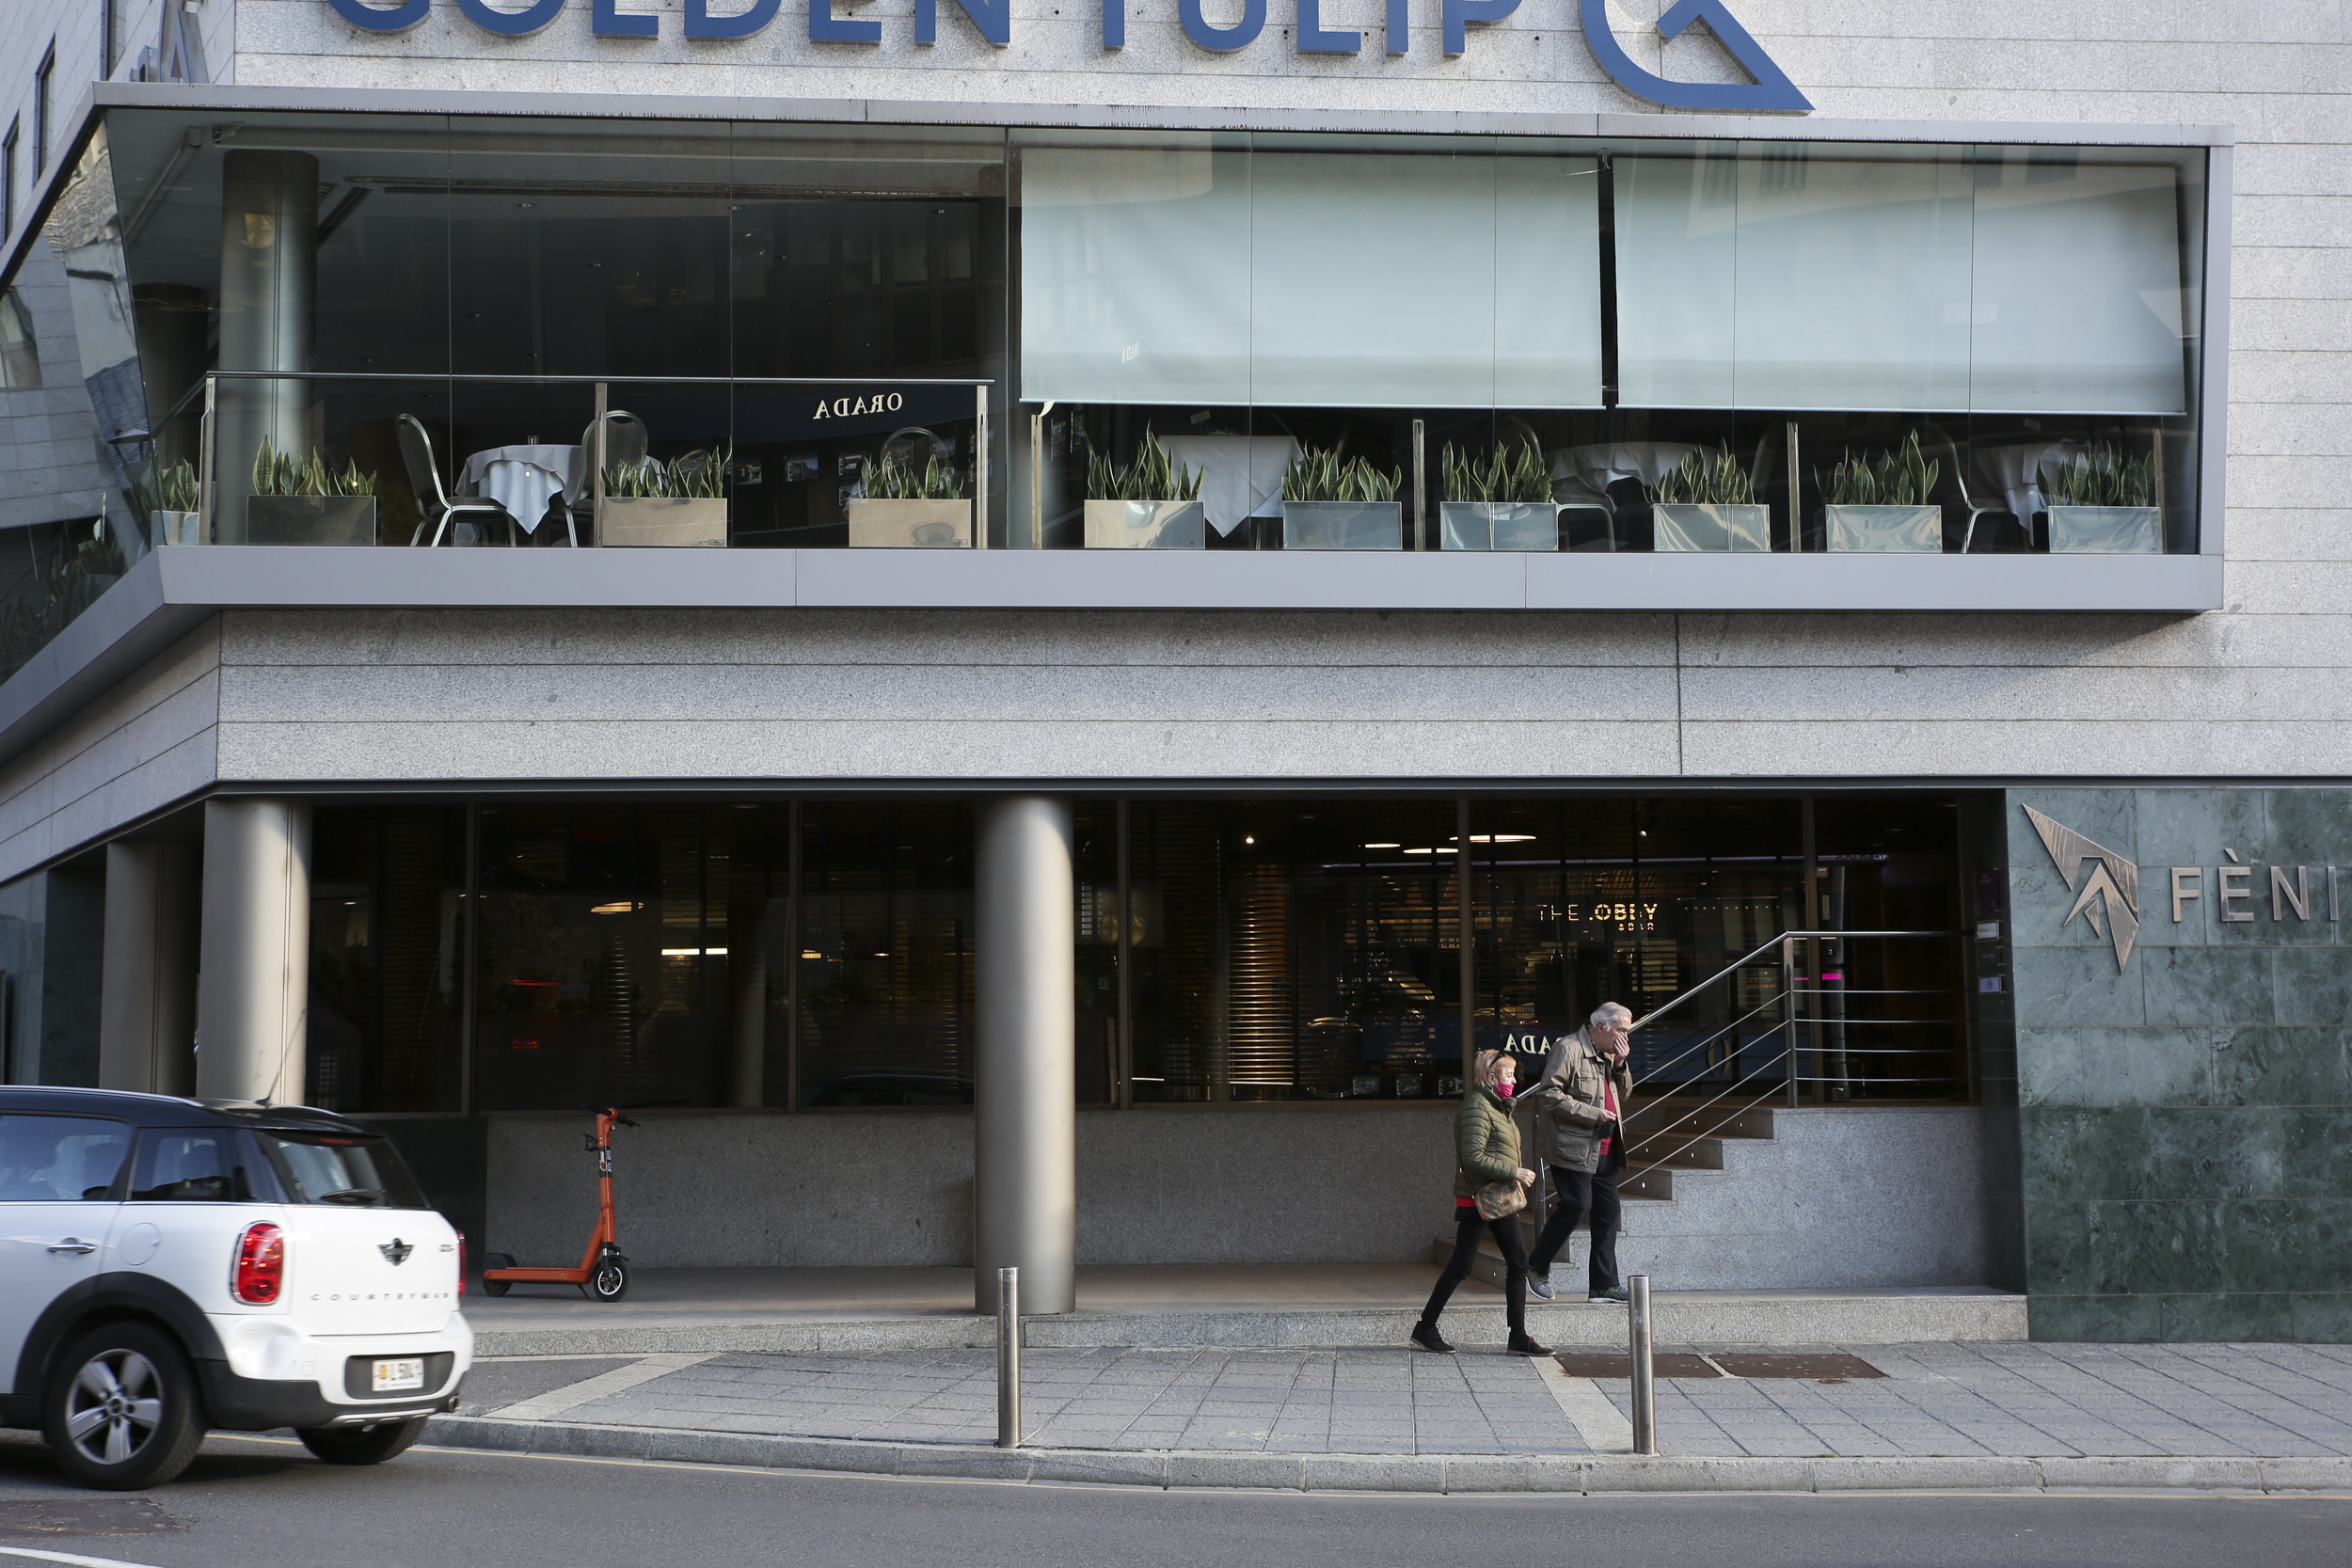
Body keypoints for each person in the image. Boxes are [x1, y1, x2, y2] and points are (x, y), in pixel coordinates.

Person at [1411, 1049, 1552, 1356]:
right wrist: (1514, 1172)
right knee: (1463, 1266)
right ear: (1490, 1078)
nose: (1514, 1081)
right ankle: (1425, 1327)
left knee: (1517, 1263)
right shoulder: (1477, 1108)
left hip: (1496, 1198)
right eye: (1508, 1075)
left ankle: (1518, 1336)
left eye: (1513, 1075)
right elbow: (1473, 1157)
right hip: (1480, 1199)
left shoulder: (1496, 1107)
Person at [1524, 1002, 1637, 1305]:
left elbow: (1624, 1094)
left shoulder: (1610, 1054)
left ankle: (1603, 1286)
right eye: (1622, 1030)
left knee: (1608, 1215)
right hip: (1573, 1147)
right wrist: (1592, 1114)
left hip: (1607, 1148)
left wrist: (1620, 1064)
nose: (1625, 1037)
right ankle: (1535, 1266)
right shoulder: (1569, 1048)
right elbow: (1548, 1093)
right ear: (1602, 1027)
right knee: (1577, 1205)